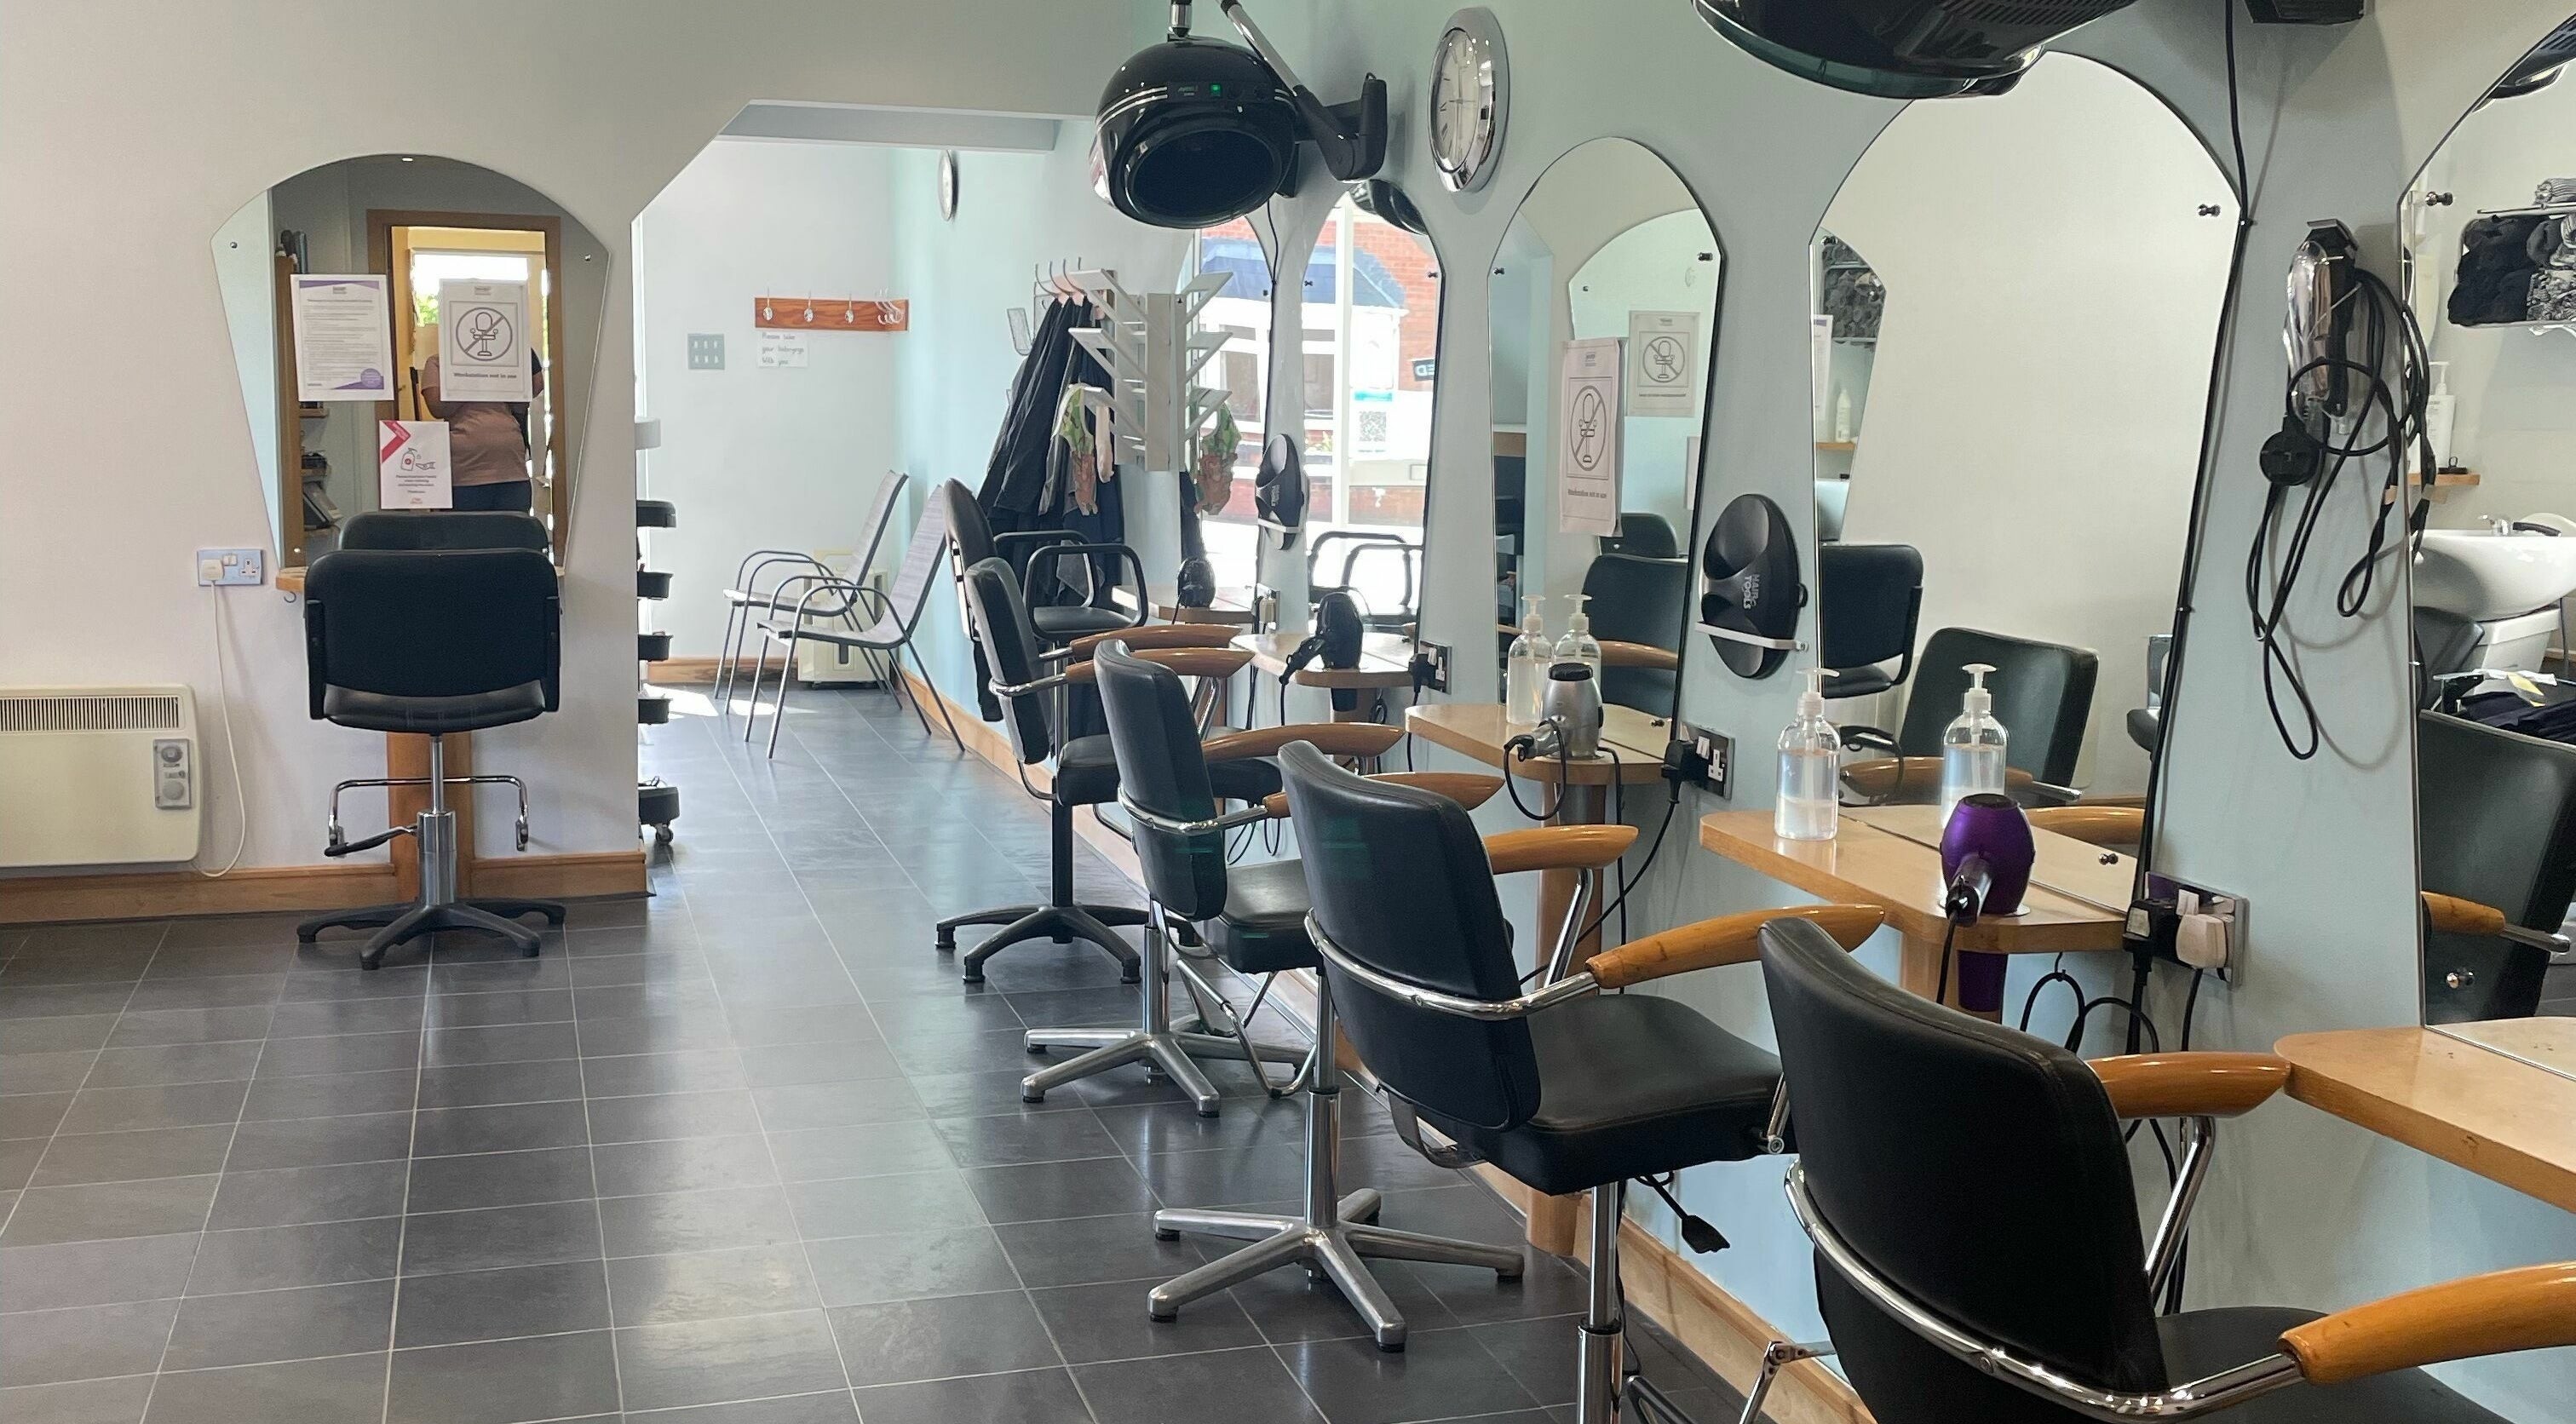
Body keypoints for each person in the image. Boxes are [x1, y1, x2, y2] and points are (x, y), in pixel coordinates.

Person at [418, 343, 544, 513]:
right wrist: (475, 377)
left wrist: (515, 353)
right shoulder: (437, 362)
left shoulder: (505, 361)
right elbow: (437, 407)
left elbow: (530, 393)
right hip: (464, 475)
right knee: (466, 536)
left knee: (513, 535)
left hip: (511, 470)